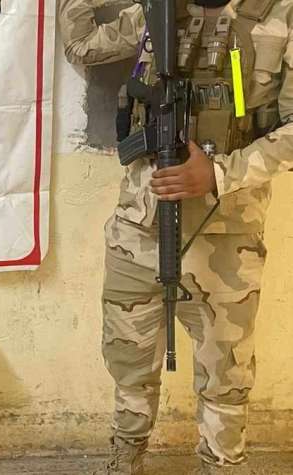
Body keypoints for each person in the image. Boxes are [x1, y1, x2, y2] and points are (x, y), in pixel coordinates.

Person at [59, 0, 293, 473]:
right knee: (129, 365)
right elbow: (81, 46)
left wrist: (220, 173)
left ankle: (221, 465)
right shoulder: (158, 10)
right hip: (138, 229)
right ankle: (126, 458)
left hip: (226, 239)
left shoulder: (280, 16)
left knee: (226, 379)